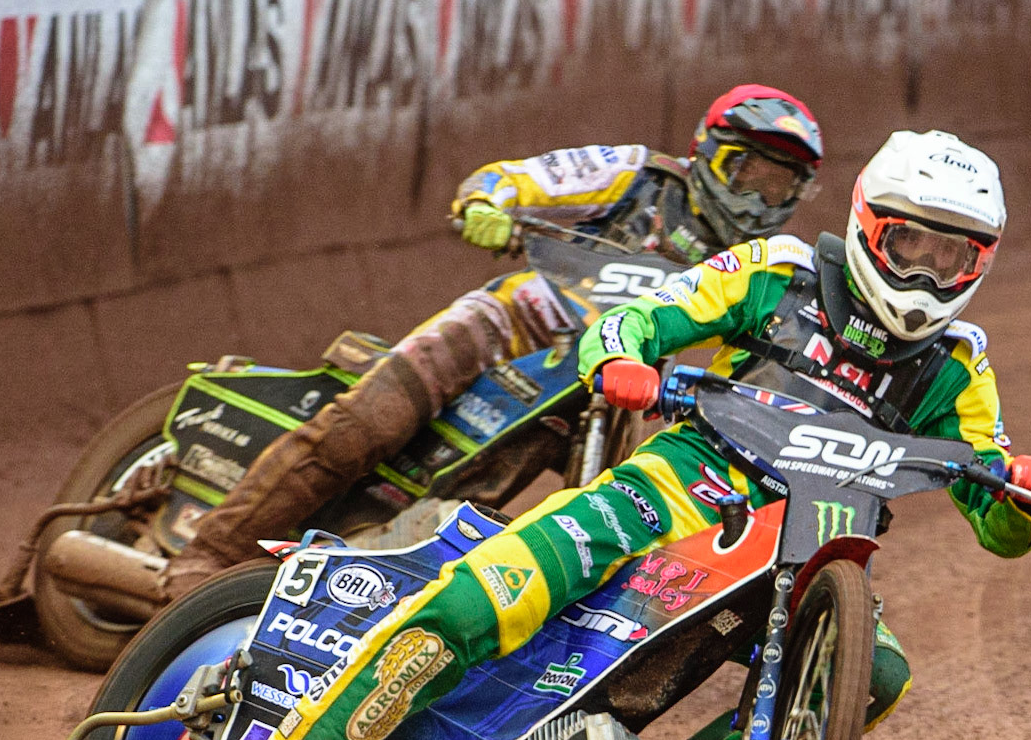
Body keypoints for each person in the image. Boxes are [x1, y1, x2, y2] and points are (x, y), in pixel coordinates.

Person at [233, 130, 1031, 740]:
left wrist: (1019, 503)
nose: (923, 272)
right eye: (909, 244)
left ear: (977, 262)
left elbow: (995, 511)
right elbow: (640, 316)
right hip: (677, 488)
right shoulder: (780, 272)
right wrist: (620, 358)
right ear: (867, 225)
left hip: (809, 542)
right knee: (494, 588)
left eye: (949, 257)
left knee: (874, 670)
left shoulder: (959, 364)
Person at [159, 85, 825, 601]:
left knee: (553, 506)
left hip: (603, 389)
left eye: (779, 185)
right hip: (510, 327)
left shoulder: (763, 263)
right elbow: (519, 177)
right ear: (708, 151)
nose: (758, 199)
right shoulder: (638, 175)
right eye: (747, 172)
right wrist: (487, 203)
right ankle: (208, 557)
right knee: (370, 423)